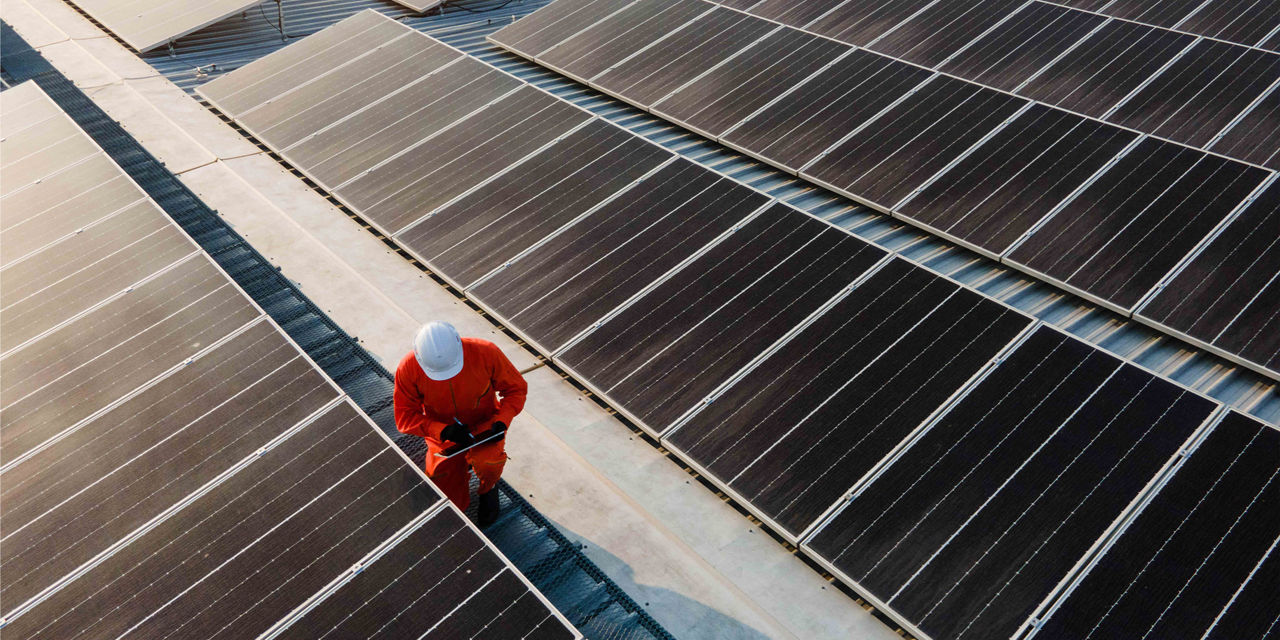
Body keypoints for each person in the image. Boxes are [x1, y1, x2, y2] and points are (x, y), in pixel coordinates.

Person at [394, 321, 527, 526]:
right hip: (445, 435)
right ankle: (457, 512)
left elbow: (515, 389)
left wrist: (502, 420)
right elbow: (405, 416)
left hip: (486, 426)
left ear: (459, 346)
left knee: (489, 463)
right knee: (442, 478)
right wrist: (442, 430)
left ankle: (488, 489)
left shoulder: (486, 352)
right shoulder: (408, 369)